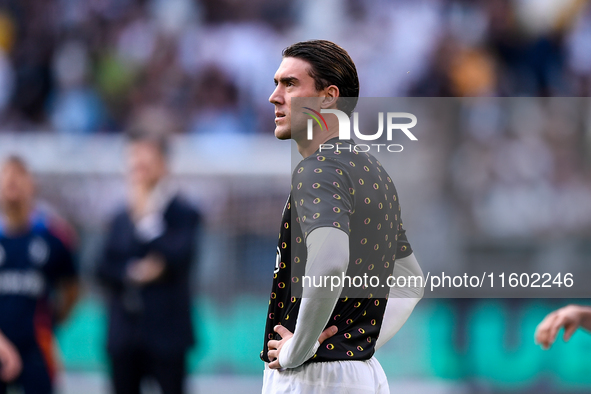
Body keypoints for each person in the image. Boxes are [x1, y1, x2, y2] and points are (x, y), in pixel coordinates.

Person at [261, 40, 424, 394]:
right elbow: (411, 280)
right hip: (357, 373)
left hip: (312, 377)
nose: (275, 96)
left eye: (290, 84)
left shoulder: (319, 169)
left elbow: (331, 262)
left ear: (327, 97)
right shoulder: (369, 170)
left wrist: (297, 350)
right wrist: (353, 344)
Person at [96, 133, 200, 394]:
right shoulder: (119, 216)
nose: (138, 167)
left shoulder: (184, 212)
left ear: (164, 164)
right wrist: (135, 273)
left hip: (167, 335)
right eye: (134, 160)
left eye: (146, 160)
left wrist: (147, 221)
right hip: (124, 336)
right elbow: (102, 268)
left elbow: (181, 257)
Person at [0, 156, 79, 394]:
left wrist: (53, 322)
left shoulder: (54, 236)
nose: (12, 180)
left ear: (32, 184)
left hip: (37, 346)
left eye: (19, 174)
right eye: (6, 175)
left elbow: (72, 287)